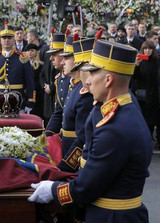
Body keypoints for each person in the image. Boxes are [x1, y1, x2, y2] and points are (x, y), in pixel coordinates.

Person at [29, 40, 152, 223]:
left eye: (93, 73)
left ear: (108, 80)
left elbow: (86, 188)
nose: (86, 80)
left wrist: (53, 189)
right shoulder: (126, 108)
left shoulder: (115, 127)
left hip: (111, 217)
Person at [55, 36, 94, 172]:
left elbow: (83, 136)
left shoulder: (85, 93)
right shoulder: (74, 86)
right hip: (66, 147)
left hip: (75, 157)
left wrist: (66, 165)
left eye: (67, 58)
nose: (62, 62)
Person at [0, 23, 35, 114]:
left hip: (18, 101)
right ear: (0, 40)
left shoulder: (22, 58)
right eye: (4, 38)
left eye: (9, 38)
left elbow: (29, 81)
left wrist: (30, 102)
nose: (6, 40)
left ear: (13, 39)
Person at [132, 41, 159, 139]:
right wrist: (137, 65)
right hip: (143, 95)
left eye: (150, 49)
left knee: (153, 120)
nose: (147, 51)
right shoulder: (140, 62)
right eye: (145, 49)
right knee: (144, 119)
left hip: (155, 94)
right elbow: (135, 77)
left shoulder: (156, 61)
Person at [45, 33, 70, 136]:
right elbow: (59, 113)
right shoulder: (59, 79)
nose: (51, 58)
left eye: (55, 54)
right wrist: (47, 134)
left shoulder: (77, 81)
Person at [26, 43, 44, 119]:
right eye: (28, 51)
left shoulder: (40, 65)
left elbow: (40, 79)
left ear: (36, 52)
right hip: (26, 92)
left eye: (32, 51)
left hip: (37, 93)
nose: (30, 53)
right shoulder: (23, 64)